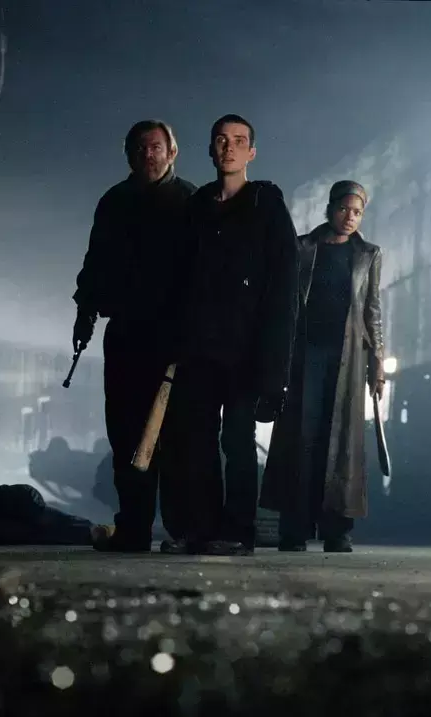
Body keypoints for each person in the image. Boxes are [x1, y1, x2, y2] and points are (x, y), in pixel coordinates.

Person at [164, 114, 300, 556]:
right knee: (198, 440)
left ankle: (239, 531)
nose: (229, 148)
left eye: (239, 141)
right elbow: (180, 279)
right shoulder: (198, 207)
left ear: (251, 152)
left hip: (247, 348)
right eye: (221, 140)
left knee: (238, 440)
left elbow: (284, 287)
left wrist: (275, 367)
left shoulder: (266, 206)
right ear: (210, 149)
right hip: (200, 346)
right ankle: (202, 528)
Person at [71, 119, 196, 553]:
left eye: (156, 147)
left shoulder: (190, 201)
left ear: (172, 152)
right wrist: (85, 313)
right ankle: (134, 528)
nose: (148, 154)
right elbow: (96, 261)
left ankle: (181, 530)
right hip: (126, 331)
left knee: (175, 436)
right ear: (128, 155)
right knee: (125, 432)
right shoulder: (114, 202)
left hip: (174, 336)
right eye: (141, 148)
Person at [259, 180, 385, 553]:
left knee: (342, 440)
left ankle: (336, 530)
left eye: (357, 212)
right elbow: (284, 304)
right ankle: (294, 529)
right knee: (301, 438)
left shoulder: (368, 254)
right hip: (304, 356)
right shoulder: (302, 248)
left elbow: (373, 310)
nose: (350, 217)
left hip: (348, 358)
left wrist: (377, 361)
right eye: (344, 209)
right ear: (330, 208)